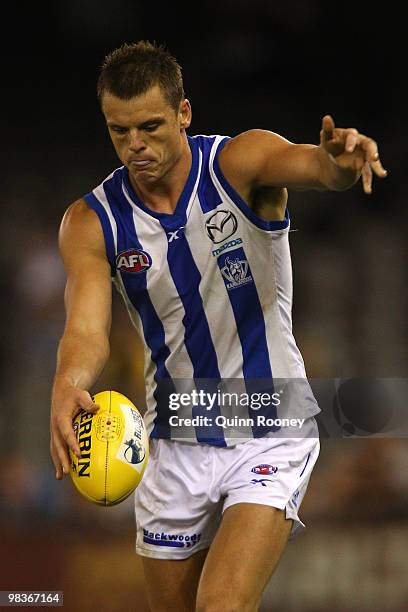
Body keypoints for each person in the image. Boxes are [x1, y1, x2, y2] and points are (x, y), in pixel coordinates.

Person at [50, 40, 387, 611]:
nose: (136, 145)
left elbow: (313, 166)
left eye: (151, 127)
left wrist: (338, 163)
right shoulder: (92, 221)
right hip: (174, 435)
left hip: (270, 422)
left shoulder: (240, 163)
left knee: (222, 605)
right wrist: (67, 381)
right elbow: (87, 329)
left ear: (184, 114)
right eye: (119, 131)